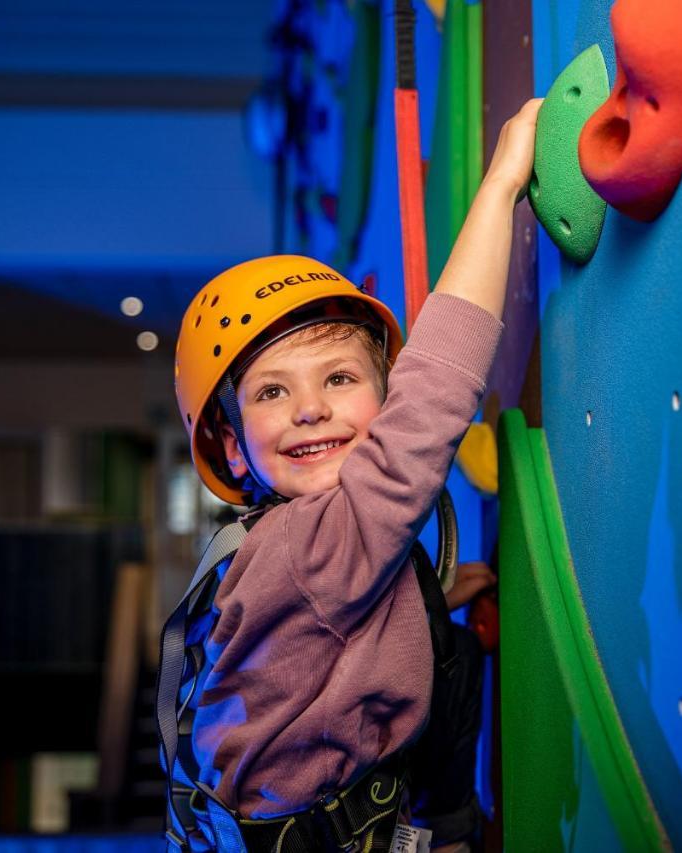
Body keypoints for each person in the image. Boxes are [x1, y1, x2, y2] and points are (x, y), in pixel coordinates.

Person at [162, 97, 543, 852]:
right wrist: (502, 184)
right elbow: (434, 396)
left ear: (379, 389)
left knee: (450, 652)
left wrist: (433, 592)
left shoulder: (265, 547)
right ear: (235, 451)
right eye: (273, 391)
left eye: (339, 377)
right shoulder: (313, 547)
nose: (311, 409)